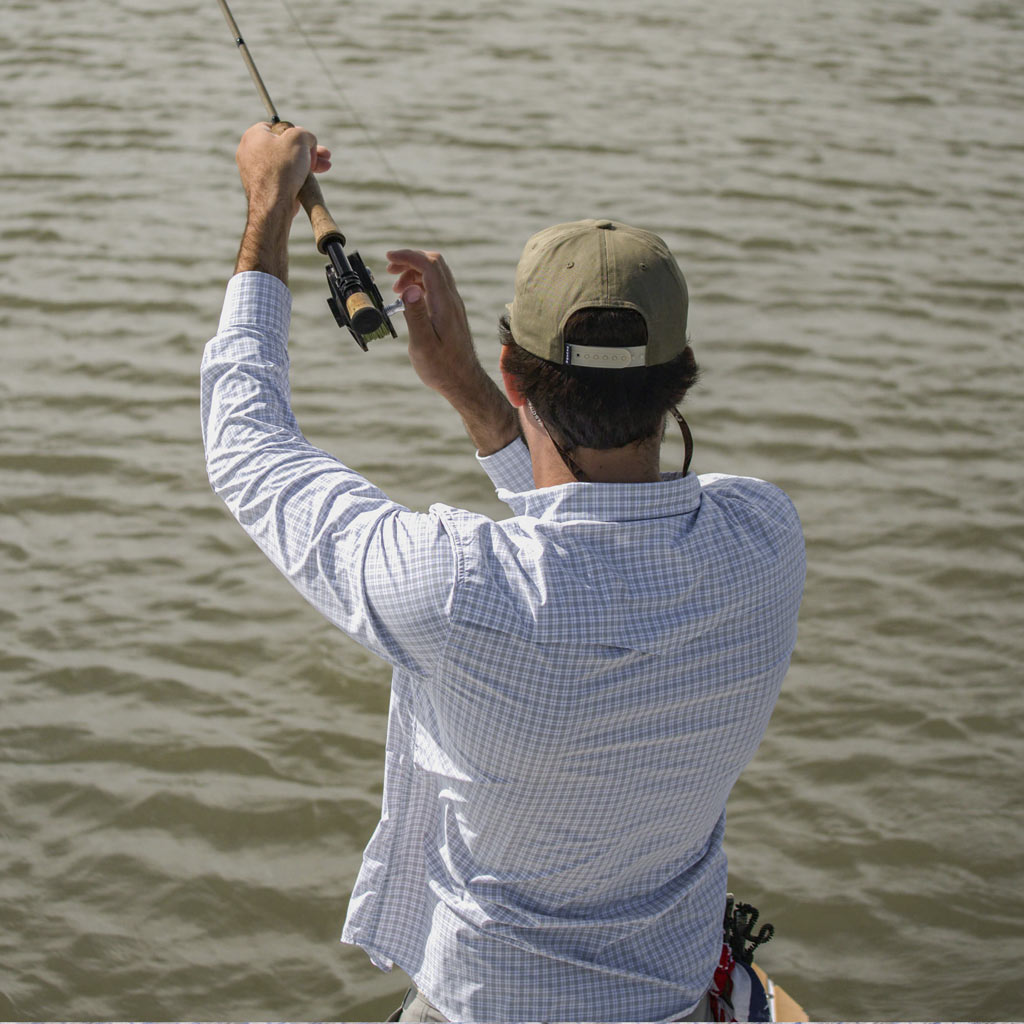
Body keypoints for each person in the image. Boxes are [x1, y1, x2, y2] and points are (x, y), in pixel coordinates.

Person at [201, 122, 806, 1023]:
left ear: (518, 377)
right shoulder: (764, 538)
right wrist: (469, 394)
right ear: (679, 381)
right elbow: (603, 531)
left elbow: (246, 447)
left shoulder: (453, 587)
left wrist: (266, 208)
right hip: (682, 999)